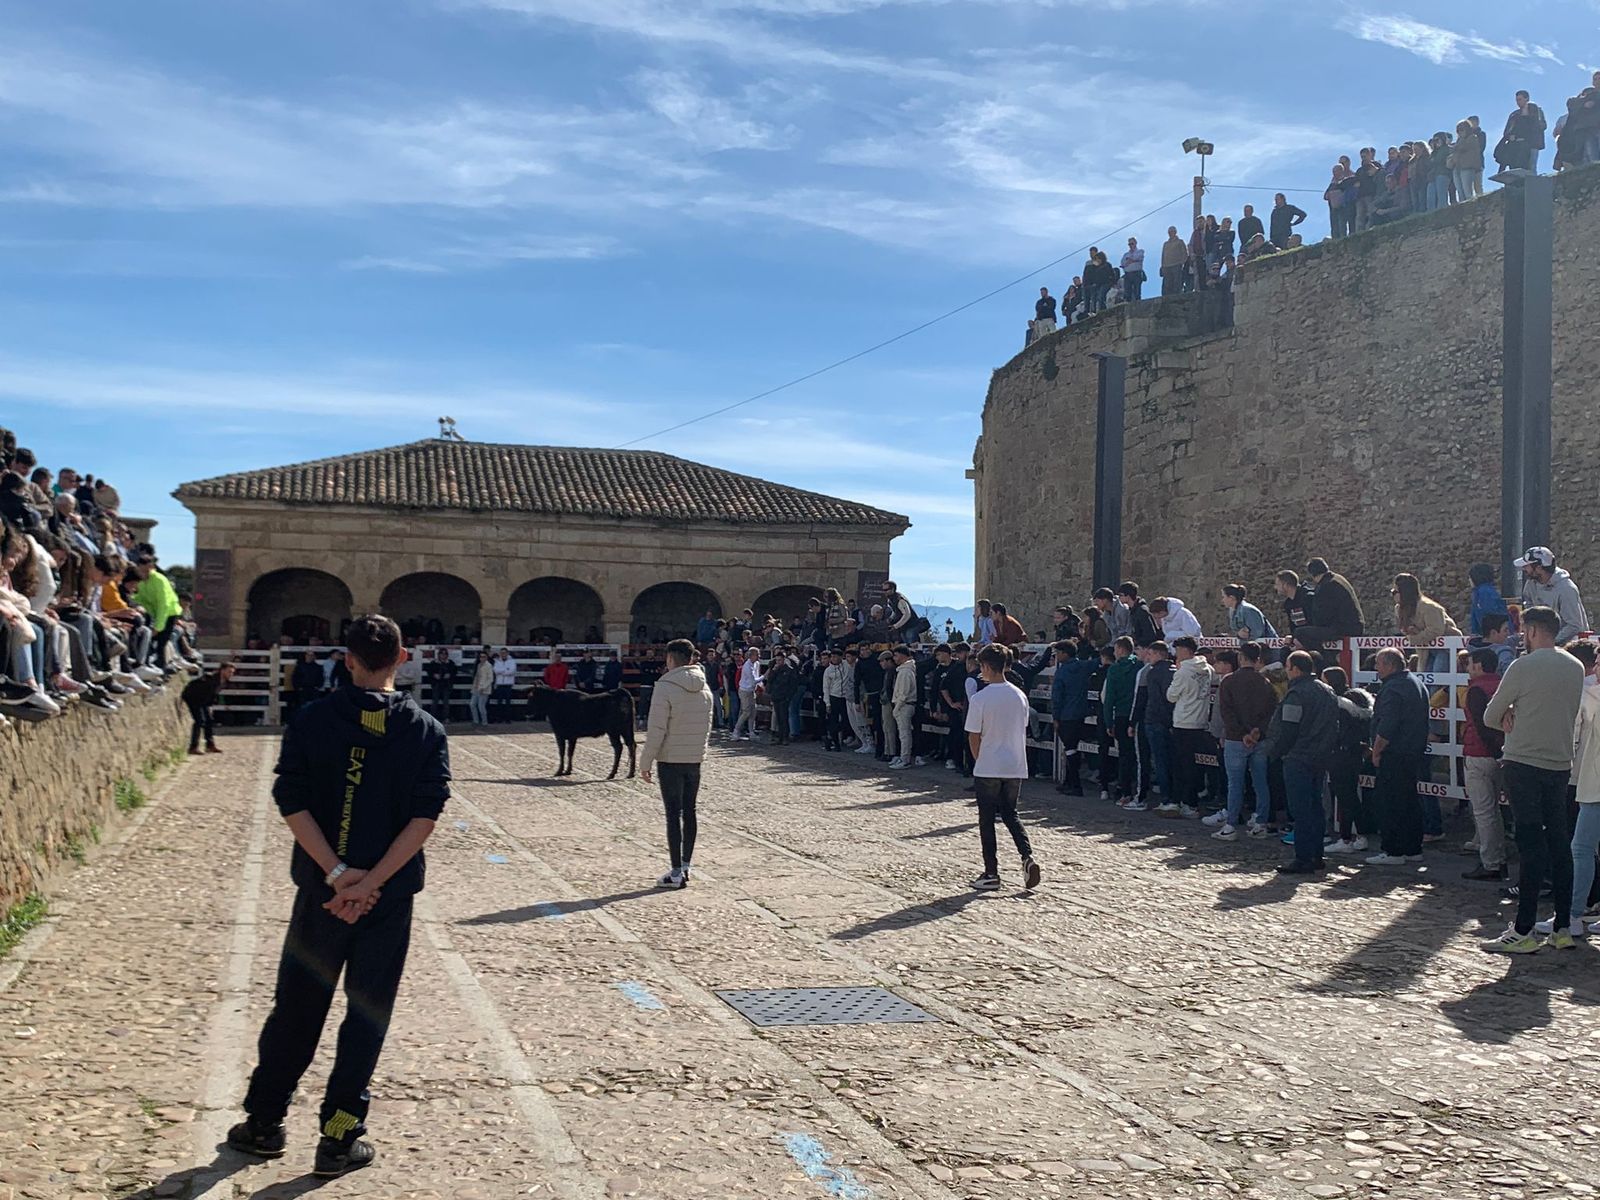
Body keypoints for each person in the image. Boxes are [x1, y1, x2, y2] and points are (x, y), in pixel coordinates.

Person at [227, 615, 449, 1178]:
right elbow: (426, 816)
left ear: (346, 659)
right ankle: (338, 1138)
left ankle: (263, 1122)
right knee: (365, 1018)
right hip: (387, 900)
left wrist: (337, 874)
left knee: (297, 1010)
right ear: (403, 657)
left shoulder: (312, 718)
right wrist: (371, 883)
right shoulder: (424, 729)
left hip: (323, 897)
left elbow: (290, 799)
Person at [1481, 606, 1587, 953]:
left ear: (1531, 630)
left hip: (1524, 760)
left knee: (1530, 844)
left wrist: (1511, 715)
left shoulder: (1522, 666)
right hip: (1560, 763)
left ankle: (1523, 928)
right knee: (1560, 843)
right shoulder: (1574, 667)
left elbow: (1491, 715)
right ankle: (1562, 926)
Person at [1535, 641, 1600, 937]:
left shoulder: (1589, 694)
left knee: (1581, 848)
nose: (1595, 668)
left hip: (1594, 782)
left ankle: (1572, 915)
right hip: (1591, 781)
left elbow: (1569, 729)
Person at [965, 644, 1042, 891]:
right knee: (1010, 813)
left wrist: (979, 760)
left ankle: (991, 872)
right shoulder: (1020, 695)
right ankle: (1026, 856)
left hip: (989, 764)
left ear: (986, 666)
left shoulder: (980, 698)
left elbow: (974, 735)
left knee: (987, 819)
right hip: (1014, 764)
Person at [639, 638, 714, 889]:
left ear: (671, 658)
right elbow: (708, 724)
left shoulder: (665, 686)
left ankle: (675, 872)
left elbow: (657, 728)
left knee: (673, 813)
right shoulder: (705, 687)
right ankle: (685, 865)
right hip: (694, 758)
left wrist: (645, 760)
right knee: (690, 811)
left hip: (670, 758)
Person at [1261, 650, 1339, 874]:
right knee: (1315, 807)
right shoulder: (1327, 691)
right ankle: (1317, 855)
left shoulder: (1297, 693)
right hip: (1320, 755)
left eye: (1287, 666)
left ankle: (1303, 857)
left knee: (1302, 810)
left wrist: (1276, 752)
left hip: (1299, 757)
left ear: (1295, 668)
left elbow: (1290, 728)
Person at [1365, 648, 1430, 866]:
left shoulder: (1392, 688)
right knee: (1409, 801)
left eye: (1379, 664)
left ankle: (1393, 850)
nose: (1376, 668)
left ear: (1390, 665)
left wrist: (1376, 750)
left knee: (1389, 802)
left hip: (1394, 754)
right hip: (1412, 751)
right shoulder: (1415, 682)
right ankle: (1412, 848)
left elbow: (1388, 725)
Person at [1209, 642, 1277, 839]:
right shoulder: (1266, 683)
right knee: (1260, 782)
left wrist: (1243, 733)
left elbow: (1227, 712)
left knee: (1235, 783)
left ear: (1240, 658)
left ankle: (1231, 824)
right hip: (1260, 738)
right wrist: (1256, 731)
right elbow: (1271, 712)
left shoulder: (1229, 682)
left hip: (1235, 739)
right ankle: (1261, 822)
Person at [1460, 646, 1507, 881]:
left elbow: (1481, 725)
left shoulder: (1475, 690)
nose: (1467, 668)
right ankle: (1499, 857)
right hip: (1502, 753)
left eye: (1469, 664)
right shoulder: (1503, 684)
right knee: (1494, 810)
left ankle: (1491, 862)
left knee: (1484, 811)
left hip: (1479, 753)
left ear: (1477, 666)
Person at [1322, 666, 1374, 854]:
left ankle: (1346, 838)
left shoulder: (1338, 704)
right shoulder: (1360, 700)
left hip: (1340, 754)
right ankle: (1360, 835)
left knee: (1345, 797)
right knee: (1351, 795)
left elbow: (1337, 732)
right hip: (1356, 753)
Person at [1165, 636, 1215, 819]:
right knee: (1195, 764)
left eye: (1178, 650)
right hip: (1200, 721)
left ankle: (1186, 802)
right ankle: (1190, 800)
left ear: (1185, 651)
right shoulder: (1207, 669)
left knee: (1182, 765)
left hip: (1183, 721)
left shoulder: (1183, 671)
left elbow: (1171, 696)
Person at [1516, 546, 1589, 643]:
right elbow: (1530, 612)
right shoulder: (1531, 584)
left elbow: (1574, 625)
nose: (1524, 569)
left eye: (1527, 566)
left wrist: (1549, 643)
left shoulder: (1566, 589)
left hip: (1570, 647)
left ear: (1538, 568)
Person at [1392, 573, 1461, 675]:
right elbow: (1404, 629)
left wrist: (1414, 638)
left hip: (1445, 648)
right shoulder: (1399, 609)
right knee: (1425, 680)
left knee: (1437, 680)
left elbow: (1436, 630)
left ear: (1405, 592)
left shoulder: (1429, 607)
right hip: (1425, 649)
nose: (1392, 594)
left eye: (1395, 592)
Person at [1296, 557, 1365, 658]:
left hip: (1344, 628)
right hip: (1355, 625)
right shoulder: (1338, 579)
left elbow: (1322, 617)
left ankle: (1323, 661)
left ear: (1312, 574)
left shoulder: (1326, 586)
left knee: (1300, 632)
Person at [1050, 640, 1094, 796]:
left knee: (1070, 749)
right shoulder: (1084, 666)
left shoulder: (1062, 672)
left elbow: (1057, 697)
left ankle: (1075, 785)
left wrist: (1055, 717)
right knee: (1073, 748)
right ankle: (1069, 781)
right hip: (1080, 713)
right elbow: (1098, 662)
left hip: (1066, 715)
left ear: (1064, 653)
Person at [1102, 636, 1139, 804]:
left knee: (1125, 755)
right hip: (1138, 715)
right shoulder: (1140, 666)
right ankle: (1139, 790)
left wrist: (1108, 722)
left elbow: (1109, 698)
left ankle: (1125, 792)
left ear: (1121, 650)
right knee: (1139, 756)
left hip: (1122, 716)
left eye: (1116, 649)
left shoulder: (1114, 670)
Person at [181, 661, 235, 754]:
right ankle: (193, 747)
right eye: (229, 671)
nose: (231, 674)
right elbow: (196, 688)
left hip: (204, 701)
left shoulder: (224, 682)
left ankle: (210, 745)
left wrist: (209, 706)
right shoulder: (209, 679)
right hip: (193, 697)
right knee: (199, 721)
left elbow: (213, 695)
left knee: (209, 720)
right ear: (222, 670)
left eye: (232, 672)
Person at [1497, 90, 1547, 173]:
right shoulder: (1514, 115)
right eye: (1517, 100)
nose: (1518, 102)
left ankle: (1531, 184)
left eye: (1520, 99)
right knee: (1515, 167)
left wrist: (1530, 115)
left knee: (1531, 166)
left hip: (1532, 143)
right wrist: (1510, 137)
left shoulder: (1537, 111)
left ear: (1527, 99)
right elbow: (1507, 130)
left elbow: (1543, 126)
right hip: (1516, 145)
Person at [888, 644, 920, 769]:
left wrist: (896, 708)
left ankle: (905, 759)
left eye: (896, 656)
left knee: (904, 734)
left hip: (904, 705)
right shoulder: (903, 670)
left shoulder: (906, 672)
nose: (894, 659)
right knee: (903, 734)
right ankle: (902, 757)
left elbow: (904, 693)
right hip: (903, 705)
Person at [764, 650, 799, 745]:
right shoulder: (775, 670)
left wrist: (788, 697)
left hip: (784, 697)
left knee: (784, 717)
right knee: (779, 718)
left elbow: (793, 686)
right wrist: (774, 671)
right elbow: (769, 680)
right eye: (777, 660)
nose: (778, 662)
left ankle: (785, 737)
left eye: (780, 660)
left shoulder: (789, 670)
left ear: (784, 660)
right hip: (776, 696)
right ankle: (779, 737)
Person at [730, 647, 762, 741]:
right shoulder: (747, 666)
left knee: (753, 711)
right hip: (744, 690)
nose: (758, 656)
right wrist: (765, 676)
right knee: (746, 712)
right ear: (751, 655)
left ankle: (751, 732)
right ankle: (736, 731)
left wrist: (760, 686)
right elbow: (753, 680)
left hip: (751, 691)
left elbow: (756, 677)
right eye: (757, 654)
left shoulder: (757, 664)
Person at [1467, 562, 1508, 637]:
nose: (1469, 580)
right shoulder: (1479, 592)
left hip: (1492, 636)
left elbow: (1490, 616)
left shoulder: (1485, 592)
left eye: (1470, 577)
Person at [821, 648, 849, 750]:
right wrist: (827, 703)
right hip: (834, 697)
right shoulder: (828, 671)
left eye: (836, 656)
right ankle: (835, 743)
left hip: (845, 697)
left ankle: (831, 736)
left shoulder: (846, 665)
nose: (834, 658)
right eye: (832, 656)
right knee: (833, 720)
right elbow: (826, 687)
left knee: (846, 720)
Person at [1450, 118, 1485, 201]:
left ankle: (1472, 208)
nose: (1459, 132)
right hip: (1458, 167)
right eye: (1458, 130)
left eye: (1461, 130)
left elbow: (1463, 147)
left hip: (1467, 167)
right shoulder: (1459, 141)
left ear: (1467, 129)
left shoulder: (1473, 138)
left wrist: (1455, 147)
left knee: (1467, 192)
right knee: (1460, 192)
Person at [1117, 582, 1159, 647]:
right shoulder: (1132, 611)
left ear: (1128, 596)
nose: (1119, 598)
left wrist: (1136, 641)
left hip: (1146, 649)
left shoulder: (1142, 611)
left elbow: (1150, 635)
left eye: (1120, 595)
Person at [423, 647, 457, 723]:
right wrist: (434, 675)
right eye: (441, 654)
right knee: (435, 701)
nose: (443, 655)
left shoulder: (450, 663)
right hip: (437, 684)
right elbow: (429, 672)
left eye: (445, 654)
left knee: (446, 702)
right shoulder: (434, 663)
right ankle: (432, 718)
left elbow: (454, 672)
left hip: (446, 685)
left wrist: (450, 675)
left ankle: (446, 717)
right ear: (439, 655)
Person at [491, 648, 517, 723]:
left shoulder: (512, 661)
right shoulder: (497, 661)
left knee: (507, 702)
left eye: (504, 653)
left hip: (508, 684)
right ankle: (499, 718)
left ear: (507, 653)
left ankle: (507, 719)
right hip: (500, 684)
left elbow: (512, 671)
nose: (503, 654)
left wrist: (502, 671)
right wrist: (505, 670)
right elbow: (495, 670)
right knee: (499, 702)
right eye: (501, 653)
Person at [1159, 226, 1187, 296]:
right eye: (1169, 232)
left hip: (1177, 264)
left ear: (1175, 232)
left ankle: (1177, 296)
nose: (1170, 233)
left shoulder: (1180, 241)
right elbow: (1163, 255)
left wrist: (1182, 262)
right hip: (1166, 266)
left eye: (1172, 231)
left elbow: (1185, 253)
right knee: (1167, 283)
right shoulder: (1165, 244)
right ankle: (1166, 297)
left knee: (1176, 282)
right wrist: (1162, 266)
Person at [469, 650, 493, 726]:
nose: (482, 658)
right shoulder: (478, 665)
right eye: (481, 657)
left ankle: (484, 722)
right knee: (472, 704)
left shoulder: (488, 666)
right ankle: (476, 720)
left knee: (481, 706)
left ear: (486, 658)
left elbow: (490, 679)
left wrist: (484, 687)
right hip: (476, 687)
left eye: (484, 657)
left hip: (483, 689)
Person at [1120, 237, 1146, 302]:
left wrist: (1131, 260)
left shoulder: (1140, 251)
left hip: (1136, 273)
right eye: (1129, 244)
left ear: (1135, 243)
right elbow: (1123, 263)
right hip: (1128, 274)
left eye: (1132, 243)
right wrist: (1131, 261)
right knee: (1127, 292)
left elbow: (1139, 257)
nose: (1131, 245)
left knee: (1137, 291)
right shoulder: (1126, 254)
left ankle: (1138, 305)